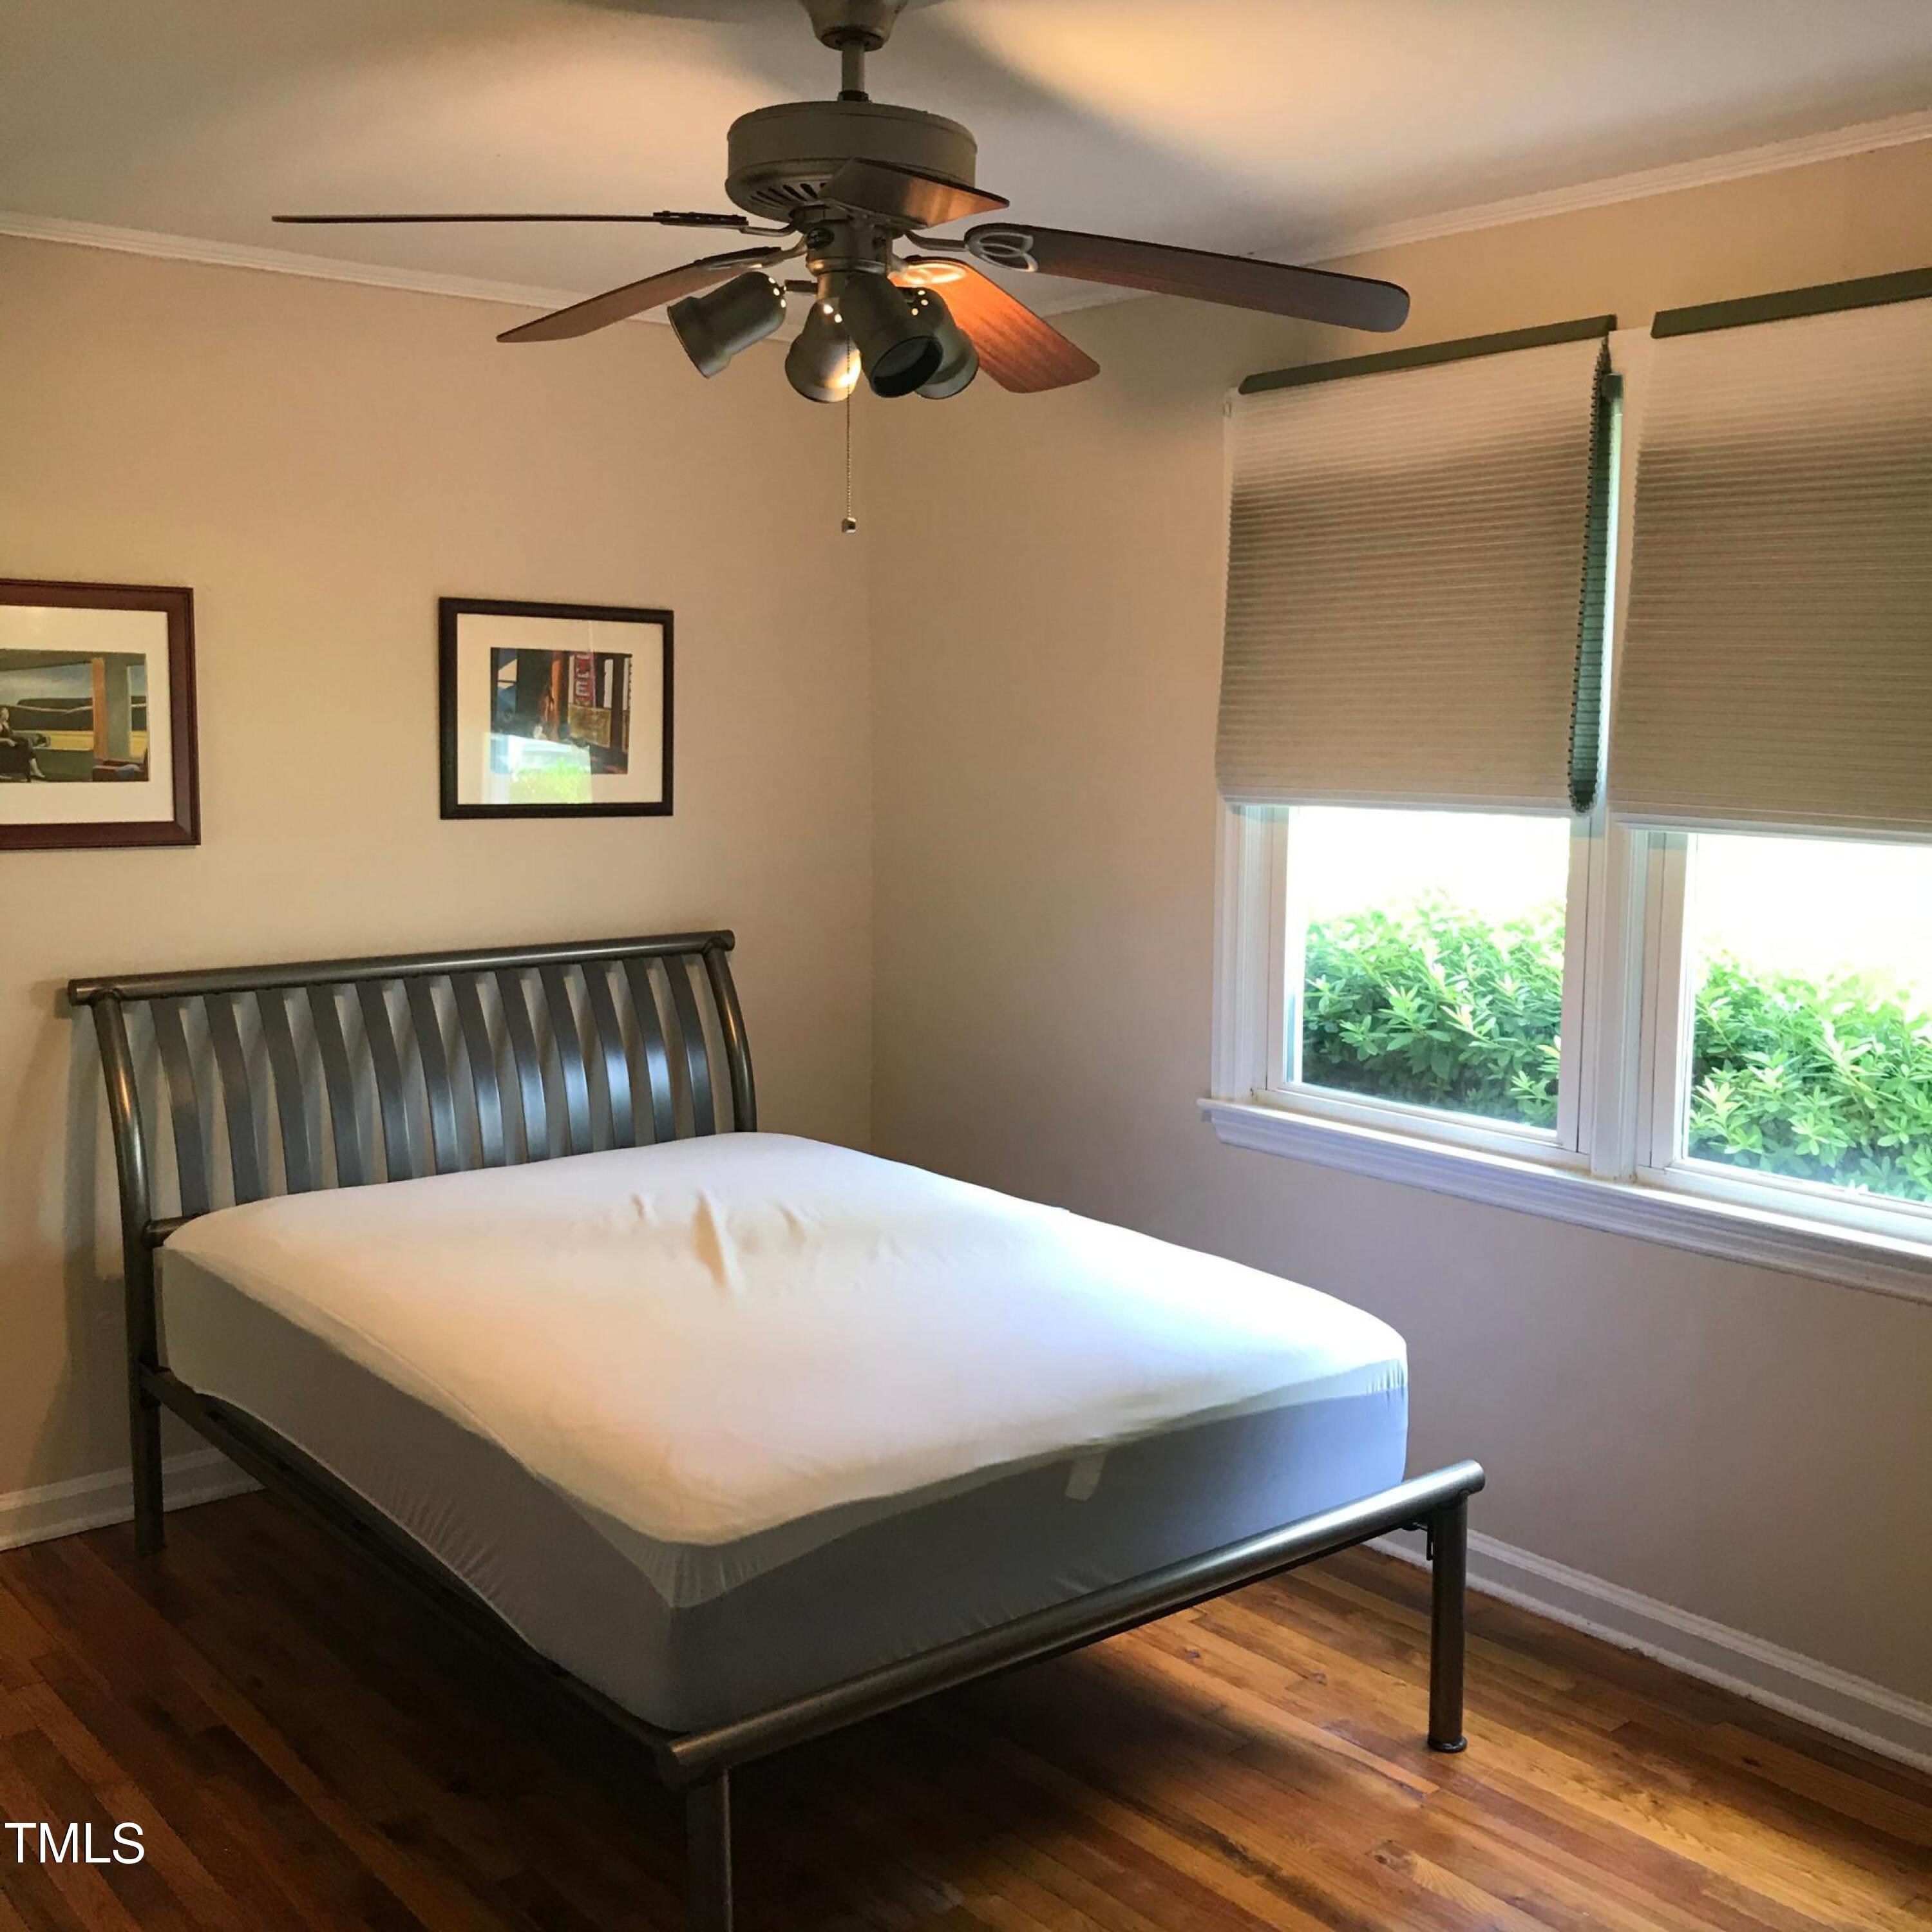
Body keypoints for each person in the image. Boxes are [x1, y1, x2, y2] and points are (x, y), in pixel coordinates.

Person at [0, 705, 47, 781]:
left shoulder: (6, 724)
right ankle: (35, 771)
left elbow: (12, 735)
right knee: (27, 749)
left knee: (27, 745)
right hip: (4, 748)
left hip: (10, 746)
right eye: (5, 713)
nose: (7, 715)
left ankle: (35, 771)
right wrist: (7, 741)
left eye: (7, 713)